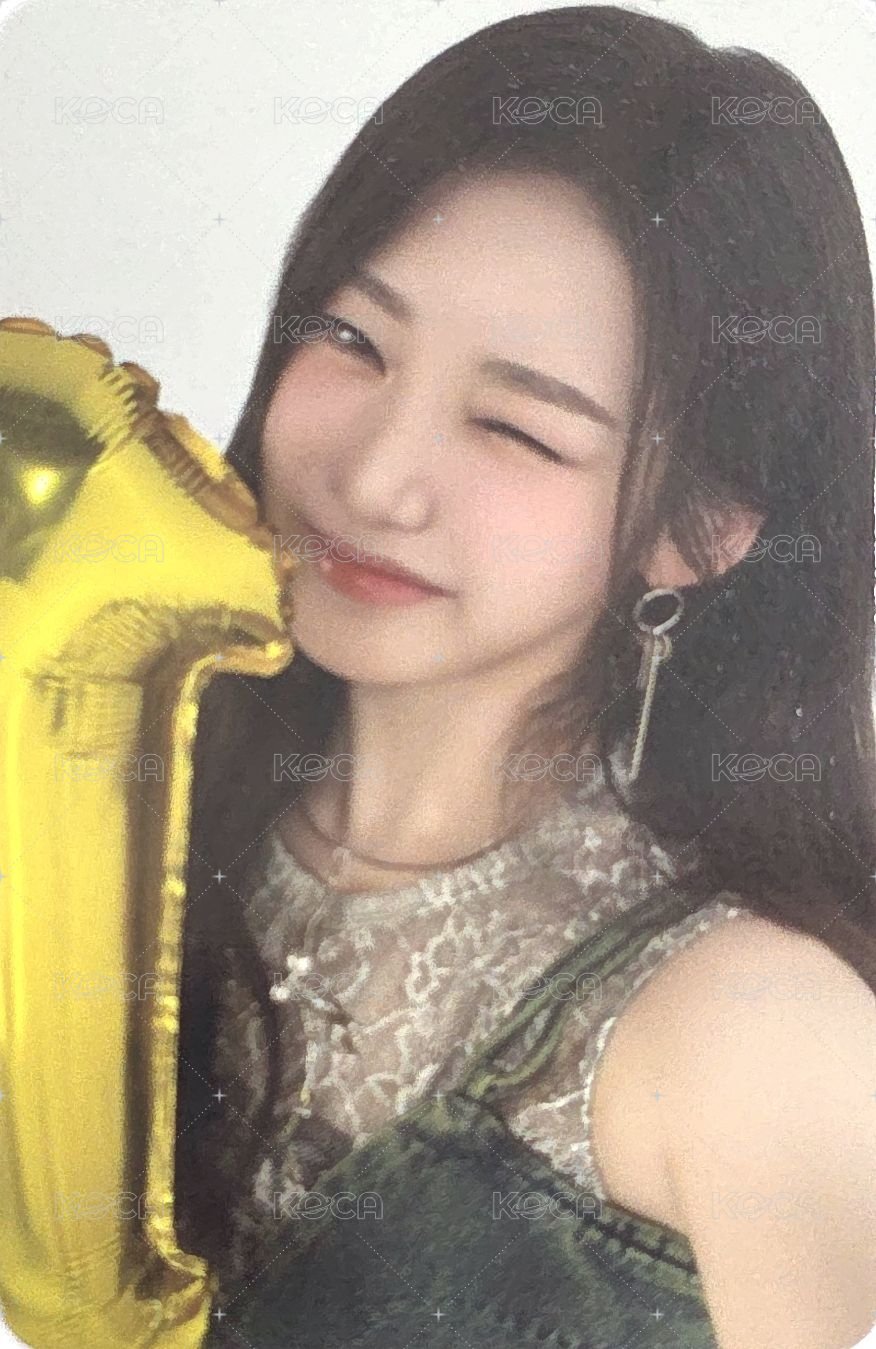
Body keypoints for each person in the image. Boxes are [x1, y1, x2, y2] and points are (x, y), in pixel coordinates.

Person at [176, 7, 876, 1346]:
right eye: (352, 340)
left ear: (700, 530)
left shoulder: (757, 1038)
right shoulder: (127, 808)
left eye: (515, 427)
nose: (376, 479)